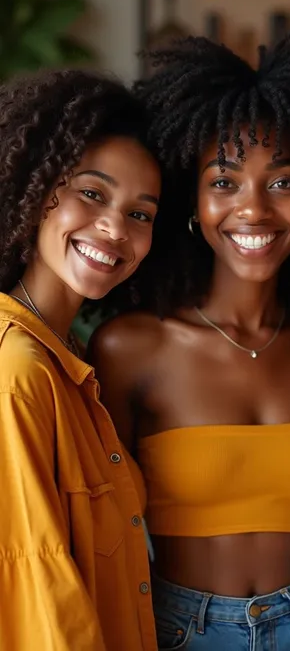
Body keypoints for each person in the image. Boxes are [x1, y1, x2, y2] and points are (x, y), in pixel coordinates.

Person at [89, 22, 290, 651]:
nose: (255, 208)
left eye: (284, 182)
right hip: (181, 627)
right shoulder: (131, 348)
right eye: (224, 181)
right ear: (193, 201)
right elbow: (103, 523)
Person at [0, 69, 162, 651]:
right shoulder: (19, 371)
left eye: (141, 214)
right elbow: (36, 591)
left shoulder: (67, 355)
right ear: (38, 187)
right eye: (91, 194)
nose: (115, 228)